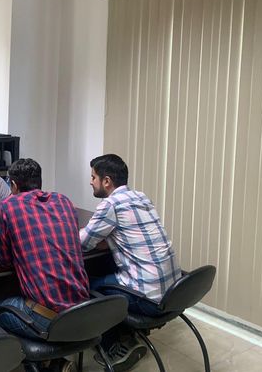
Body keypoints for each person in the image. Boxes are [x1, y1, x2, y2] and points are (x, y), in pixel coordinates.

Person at [80, 154, 181, 371]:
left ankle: (114, 348)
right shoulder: (141, 197)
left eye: (93, 177)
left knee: (85, 287)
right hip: (173, 292)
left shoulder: (110, 205)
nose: (90, 182)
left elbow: (84, 243)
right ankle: (129, 334)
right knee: (107, 271)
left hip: (149, 299)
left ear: (107, 181)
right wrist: (108, 238)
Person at [0, 158, 90, 346]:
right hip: (83, 311)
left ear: (14, 185)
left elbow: (4, 260)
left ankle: (35, 357)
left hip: (48, 319)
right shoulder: (64, 201)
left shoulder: (7, 206)